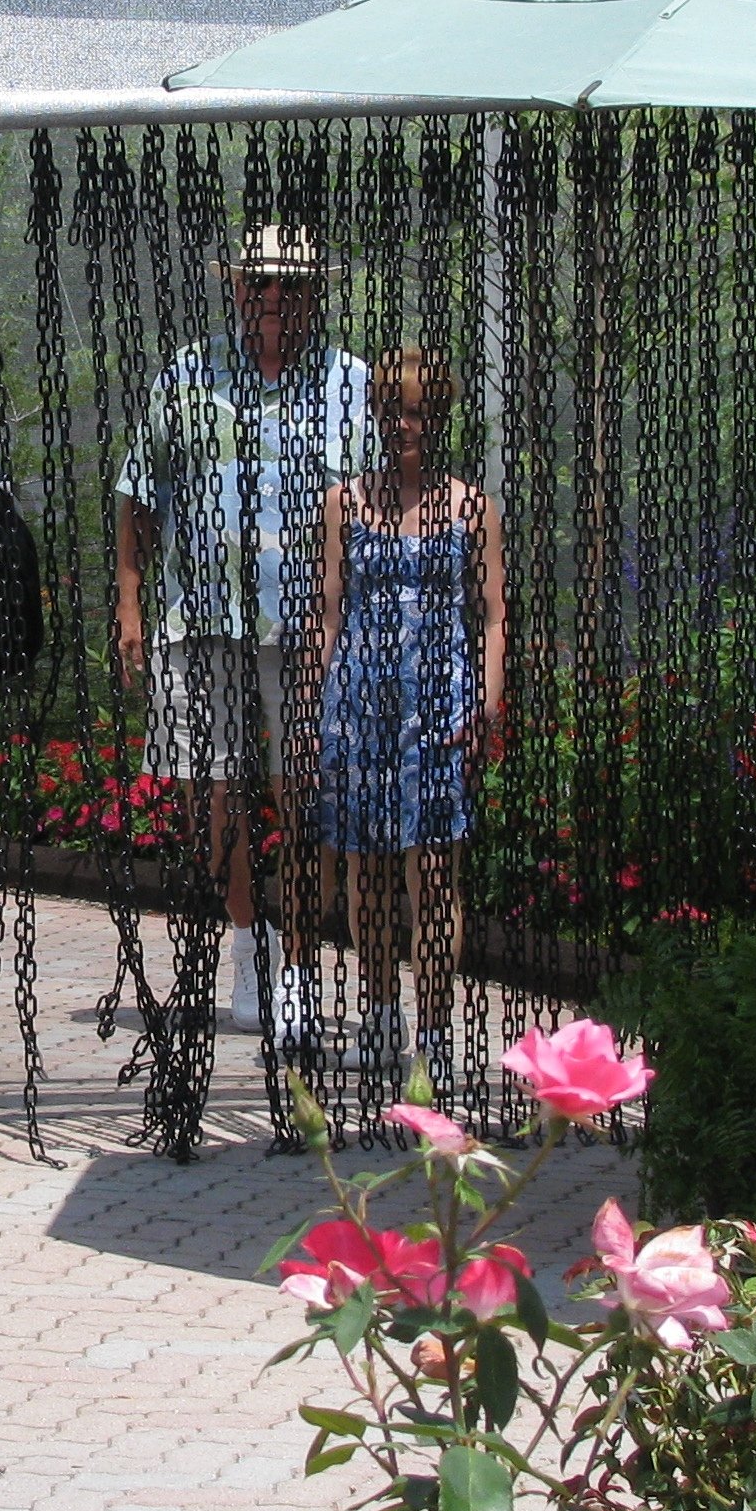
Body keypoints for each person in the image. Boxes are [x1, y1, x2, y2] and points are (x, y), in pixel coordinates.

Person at [115, 223, 382, 1035]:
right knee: (211, 795)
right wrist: (128, 601)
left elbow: (375, 504)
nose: (273, 297)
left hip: (307, 626)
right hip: (197, 617)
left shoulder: (351, 383)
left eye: (290, 284)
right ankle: (248, 943)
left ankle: (298, 964)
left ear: (314, 293)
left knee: (301, 793)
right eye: (259, 281)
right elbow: (137, 491)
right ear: (236, 288)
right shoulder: (189, 374)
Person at [311, 348, 505, 1099]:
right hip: (361, 698)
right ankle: (382, 1010)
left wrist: (486, 699)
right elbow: (327, 610)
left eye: (418, 410)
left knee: (432, 871)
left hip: (440, 700)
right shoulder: (344, 503)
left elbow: (493, 614)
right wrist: (314, 701)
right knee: (366, 867)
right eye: (392, 410)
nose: (404, 424)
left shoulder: (470, 506)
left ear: (439, 416)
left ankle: (432, 1027)